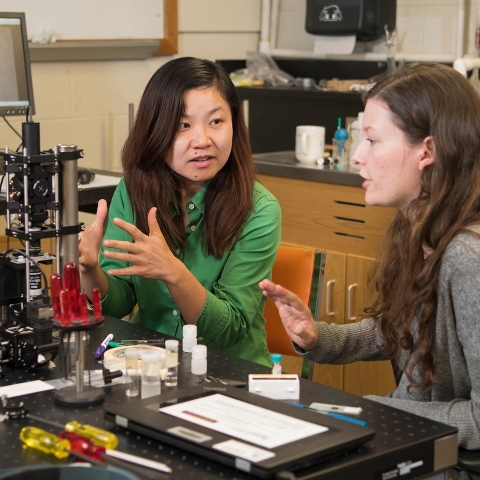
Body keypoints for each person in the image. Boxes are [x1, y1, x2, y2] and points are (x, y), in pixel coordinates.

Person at [260, 63, 480, 479]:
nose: (357, 155)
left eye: (373, 140)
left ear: (427, 152)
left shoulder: (468, 260)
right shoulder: (416, 229)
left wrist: (379, 409)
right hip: (411, 442)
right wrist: (317, 336)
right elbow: (398, 332)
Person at [79, 57, 281, 367]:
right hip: (150, 364)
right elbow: (117, 303)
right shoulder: (133, 192)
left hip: (231, 373)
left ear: (234, 124)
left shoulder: (260, 210)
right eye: (183, 125)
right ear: (155, 130)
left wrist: (172, 271)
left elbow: (230, 330)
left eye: (216, 121)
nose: (202, 141)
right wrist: (90, 269)